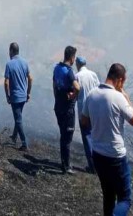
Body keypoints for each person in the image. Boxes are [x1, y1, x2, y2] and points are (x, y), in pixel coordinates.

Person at [81, 63, 133, 216]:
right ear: (119, 80)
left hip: (98, 155)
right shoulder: (119, 97)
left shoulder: (92, 94)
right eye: (123, 82)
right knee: (125, 199)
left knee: (108, 196)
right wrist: (126, 98)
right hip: (115, 156)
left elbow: (84, 121)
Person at [52, 46, 80, 174]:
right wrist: (73, 96)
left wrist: (58, 97)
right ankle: (66, 166)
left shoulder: (57, 68)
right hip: (67, 110)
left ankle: (64, 163)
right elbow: (77, 88)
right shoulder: (69, 71)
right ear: (72, 58)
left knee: (63, 135)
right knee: (67, 137)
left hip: (58, 106)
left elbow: (54, 85)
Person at [4, 42, 32, 152]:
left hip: (15, 97)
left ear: (11, 51)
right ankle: (14, 137)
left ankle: (24, 143)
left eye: (9, 51)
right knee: (18, 116)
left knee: (18, 119)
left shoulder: (9, 64)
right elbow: (30, 78)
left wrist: (7, 96)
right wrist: (28, 92)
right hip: (23, 96)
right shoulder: (25, 62)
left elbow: (6, 82)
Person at [75, 56, 100, 173]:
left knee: (87, 137)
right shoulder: (93, 74)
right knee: (95, 137)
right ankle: (99, 164)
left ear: (77, 65)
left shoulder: (77, 76)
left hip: (83, 111)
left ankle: (92, 166)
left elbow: (75, 93)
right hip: (94, 110)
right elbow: (99, 90)